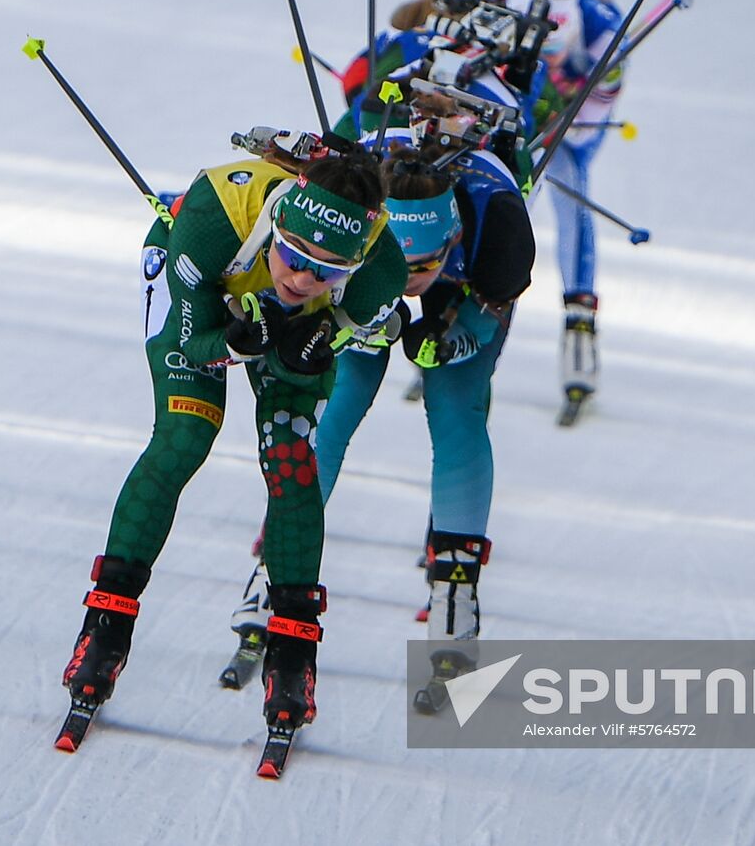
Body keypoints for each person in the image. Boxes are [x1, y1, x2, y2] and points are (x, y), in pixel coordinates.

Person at [61, 141, 408, 741]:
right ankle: (105, 625)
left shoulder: (382, 271)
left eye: (327, 270)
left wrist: (317, 339)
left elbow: (338, 337)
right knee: (183, 438)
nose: (302, 277)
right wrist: (234, 343)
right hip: (203, 290)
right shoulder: (213, 216)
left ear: (356, 260)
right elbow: (189, 341)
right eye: (293, 255)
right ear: (275, 225)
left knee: (292, 462)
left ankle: (294, 653)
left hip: (284, 322)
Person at [229, 94, 535, 709]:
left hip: (468, 283)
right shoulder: (355, 216)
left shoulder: (496, 226)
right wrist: (341, 330)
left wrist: (448, 343)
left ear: (451, 236)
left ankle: (457, 600)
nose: (412, 276)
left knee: (456, 411)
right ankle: (275, 567)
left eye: (425, 264)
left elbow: (487, 308)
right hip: (358, 273)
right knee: (338, 402)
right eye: (402, 263)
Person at [499, 0, 623, 404]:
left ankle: (580, 324)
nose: (547, 58)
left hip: (573, 119)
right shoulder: (498, 2)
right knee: (503, 194)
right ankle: (464, 299)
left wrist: (560, 107)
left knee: (570, 188)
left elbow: (591, 123)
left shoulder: (605, 34)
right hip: (521, 106)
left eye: (554, 47)